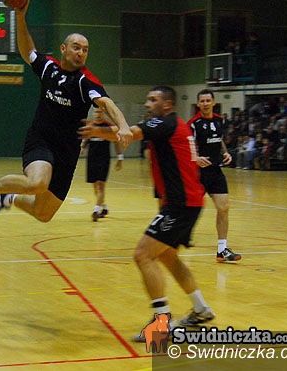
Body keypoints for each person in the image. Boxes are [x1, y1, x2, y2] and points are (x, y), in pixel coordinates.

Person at [0, 0, 132, 222]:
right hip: (41, 141)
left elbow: (105, 102)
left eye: (85, 50)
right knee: (37, 183)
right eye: (76, 47)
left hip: (67, 153)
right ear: (63, 48)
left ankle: (8, 198)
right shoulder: (49, 67)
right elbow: (28, 51)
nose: (81, 53)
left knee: (43, 214)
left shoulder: (85, 80)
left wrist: (123, 125)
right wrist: (20, 16)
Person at [79, 86, 215, 339]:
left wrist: (95, 131)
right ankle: (201, 308)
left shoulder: (165, 123)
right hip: (186, 202)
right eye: (147, 99)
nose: (147, 104)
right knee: (168, 257)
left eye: (153, 100)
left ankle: (162, 323)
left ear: (167, 104)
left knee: (143, 255)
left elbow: (129, 134)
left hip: (180, 205)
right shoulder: (174, 125)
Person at [188, 90, 241, 262]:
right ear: (198, 104)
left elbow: (219, 139)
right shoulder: (193, 123)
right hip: (198, 173)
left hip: (215, 171)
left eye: (208, 100)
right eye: (202, 101)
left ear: (213, 102)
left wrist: (225, 153)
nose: (205, 103)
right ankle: (179, 238)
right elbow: (188, 144)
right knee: (190, 209)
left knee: (223, 208)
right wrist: (195, 158)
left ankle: (222, 250)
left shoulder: (219, 120)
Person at [80, 107, 124, 221]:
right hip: (91, 159)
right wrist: (82, 148)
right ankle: (104, 207)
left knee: (100, 185)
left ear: (103, 113)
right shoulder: (91, 125)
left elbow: (116, 141)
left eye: (100, 112)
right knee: (95, 187)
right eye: (96, 112)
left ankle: (96, 210)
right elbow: (86, 140)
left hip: (103, 159)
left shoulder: (109, 126)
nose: (98, 114)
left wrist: (120, 157)